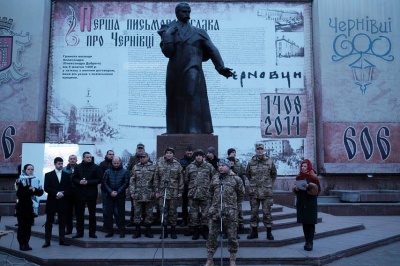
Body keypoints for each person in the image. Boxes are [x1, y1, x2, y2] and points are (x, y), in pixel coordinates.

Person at [157, 2, 233, 134]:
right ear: (177, 13)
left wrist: (221, 68)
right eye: (184, 12)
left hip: (192, 67)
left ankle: (194, 129)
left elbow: (213, 49)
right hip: (174, 70)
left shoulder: (199, 32)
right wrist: (168, 35)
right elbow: (167, 52)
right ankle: (172, 129)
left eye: (188, 11)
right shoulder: (168, 30)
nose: (187, 14)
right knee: (171, 98)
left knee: (191, 95)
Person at [205, 159, 244, 266]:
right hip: (215, 212)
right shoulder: (215, 178)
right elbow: (210, 193)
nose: (220, 167)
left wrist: (234, 207)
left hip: (230, 213)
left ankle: (232, 259)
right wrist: (212, 207)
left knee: (232, 237)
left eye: (223, 165)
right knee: (212, 236)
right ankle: (210, 259)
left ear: (229, 166)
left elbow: (241, 195)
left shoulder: (236, 179)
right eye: (219, 165)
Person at [246, 143, 277, 240]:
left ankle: (269, 232)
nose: (259, 150)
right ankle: (254, 232)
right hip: (254, 191)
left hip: (266, 192)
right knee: (254, 213)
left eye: (261, 149)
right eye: (258, 149)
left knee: (267, 212)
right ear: (255, 150)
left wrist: (267, 184)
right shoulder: (251, 162)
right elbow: (248, 174)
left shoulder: (269, 161)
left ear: (263, 150)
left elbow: (274, 174)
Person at [184, 149, 215, 240]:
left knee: (205, 214)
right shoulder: (190, 167)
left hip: (205, 194)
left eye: (200, 155)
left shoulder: (209, 166)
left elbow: (214, 178)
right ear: (195, 157)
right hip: (193, 194)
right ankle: (196, 231)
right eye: (197, 155)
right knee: (194, 214)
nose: (198, 157)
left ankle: (205, 231)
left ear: (203, 157)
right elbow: (186, 179)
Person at [154, 147, 183, 239]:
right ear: (165, 154)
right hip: (163, 192)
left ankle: (173, 231)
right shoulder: (159, 164)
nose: (169, 154)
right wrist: (156, 191)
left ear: (173, 154)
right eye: (167, 153)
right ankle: (164, 231)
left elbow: (181, 179)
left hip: (174, 192)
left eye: (170, 153)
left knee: (173, 212)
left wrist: (180, 191)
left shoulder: (177, 165)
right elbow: (156, 178)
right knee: (163, 212)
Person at [42, 157, 72, 248]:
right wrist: (56, 193)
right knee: (49, 222)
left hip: (63, 201)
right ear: (55, 164)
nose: (60, 165)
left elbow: (70, 188)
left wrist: (63, 193)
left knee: (62, 221)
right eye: (59, 163)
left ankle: (62, 240)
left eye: (61, 163)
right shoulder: (48, 175)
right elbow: (46, 187)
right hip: (52, 201)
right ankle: (47, 241)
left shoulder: (67, 175)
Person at [293, 159, 320, 251]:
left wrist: (308, 186)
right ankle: (306, 241)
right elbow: (296, 191)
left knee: (310, 223)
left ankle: (310, 242)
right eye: (302, 166)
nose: (303, 168)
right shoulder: (299, 177)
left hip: (310, 202)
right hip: (301, 201)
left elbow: (317, 190)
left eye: (305, 166)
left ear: (309, 167)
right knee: (304, 223)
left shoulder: (313, 177)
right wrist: (296, 188)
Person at [71, 151, 101, 238]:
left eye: (90, 157)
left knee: (92, 214)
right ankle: (79, 233)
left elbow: (98, 179)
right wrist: (79, 181)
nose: (89, 158)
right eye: (87, 157)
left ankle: (92, 233)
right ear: (83, 158)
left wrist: (88, 182)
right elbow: (73, 178)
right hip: (80, 194)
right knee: (79, 214)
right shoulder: (78, 167)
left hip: (91, 194)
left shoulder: (96, 167)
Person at [15, 164, 44, 251]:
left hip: (31, 207)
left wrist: (35, 190)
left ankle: (27, 243)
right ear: (25, 170)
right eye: (28, 169)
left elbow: (40, 192)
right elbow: (19, 194)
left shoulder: (35, 179)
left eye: (32, 169)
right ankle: (21, 243)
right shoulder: (19, 180)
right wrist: (29, 190)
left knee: (28, 226)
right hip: (22, 206)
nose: (30, 171)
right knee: (22, 226)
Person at [130, 152, 155, 238]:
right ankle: (137, 231)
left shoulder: (153, 167)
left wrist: (154, 191)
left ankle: (148, 230)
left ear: (148, 157)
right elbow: (132, 181)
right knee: (137, 213)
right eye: (140, 157)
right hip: (138, 194)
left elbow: (155, 180)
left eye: (144, 157)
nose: (142, 158)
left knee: (149, 213)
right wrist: (132, 192)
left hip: (149, 194)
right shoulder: (135, 167)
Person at [103, 156, 130, 238]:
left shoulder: (125, 171)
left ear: (120, 162)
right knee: (109, 213)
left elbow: (126, 183)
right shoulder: (107, 172)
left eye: (117, 163)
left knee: (120, 214)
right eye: (114, 163)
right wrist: (111, 191)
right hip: (109, 195)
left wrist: (118, 192)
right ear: (112, 163)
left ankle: (122, 231)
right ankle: (110, 231)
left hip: (120, 195)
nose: (116, 165)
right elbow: (105, 182)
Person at [126, 143, 146, 227]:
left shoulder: (147, 158)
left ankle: (145, 221)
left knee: (145, 205)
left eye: (141, 148)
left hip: (145, 186)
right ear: (136, 149)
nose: (140, 150)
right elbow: (128, 170)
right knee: (134, 205)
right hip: (135, 186)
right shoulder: (132, 158)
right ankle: (133, 220)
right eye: (139, 148)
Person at [227, 148, 246, 232]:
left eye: (234, 152)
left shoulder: (238, 165)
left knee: (238, 209)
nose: (233, 154)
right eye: (232, 153)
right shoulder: (224, 166)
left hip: (236, 192)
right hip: (227, 194)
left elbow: (242, 176)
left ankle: (240, 224)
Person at [98, 150, 115, 229]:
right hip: (105, 189)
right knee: (105, 207)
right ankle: (106, 223)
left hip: (114, 189)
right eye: (110, 154)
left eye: (112, 154)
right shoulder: (103, 164)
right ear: (107, 155)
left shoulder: (115, 163)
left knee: (115, 207)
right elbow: (101, 177)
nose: (111, 156)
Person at [62, 154, 78, 235]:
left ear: (76, 160)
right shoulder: (64, 169)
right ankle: (69, 229)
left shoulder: (79, 168)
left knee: (79, 212)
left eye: (74, 159)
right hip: (67, 194)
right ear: (68, 160)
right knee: (68, 213)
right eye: (71, 159)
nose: (72, 160)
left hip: (78, 193)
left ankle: (79, 230)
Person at [179, 145, 194, 227]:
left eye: (190, 151)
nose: (189, 153)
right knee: (184, 204)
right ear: (185, 152)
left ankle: (192, 220)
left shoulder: (195, 161)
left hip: (194, 186)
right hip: (185, 186)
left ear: (193, 152)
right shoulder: (181, 162)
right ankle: (184, 219)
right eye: (188, 151)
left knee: (193, 205)